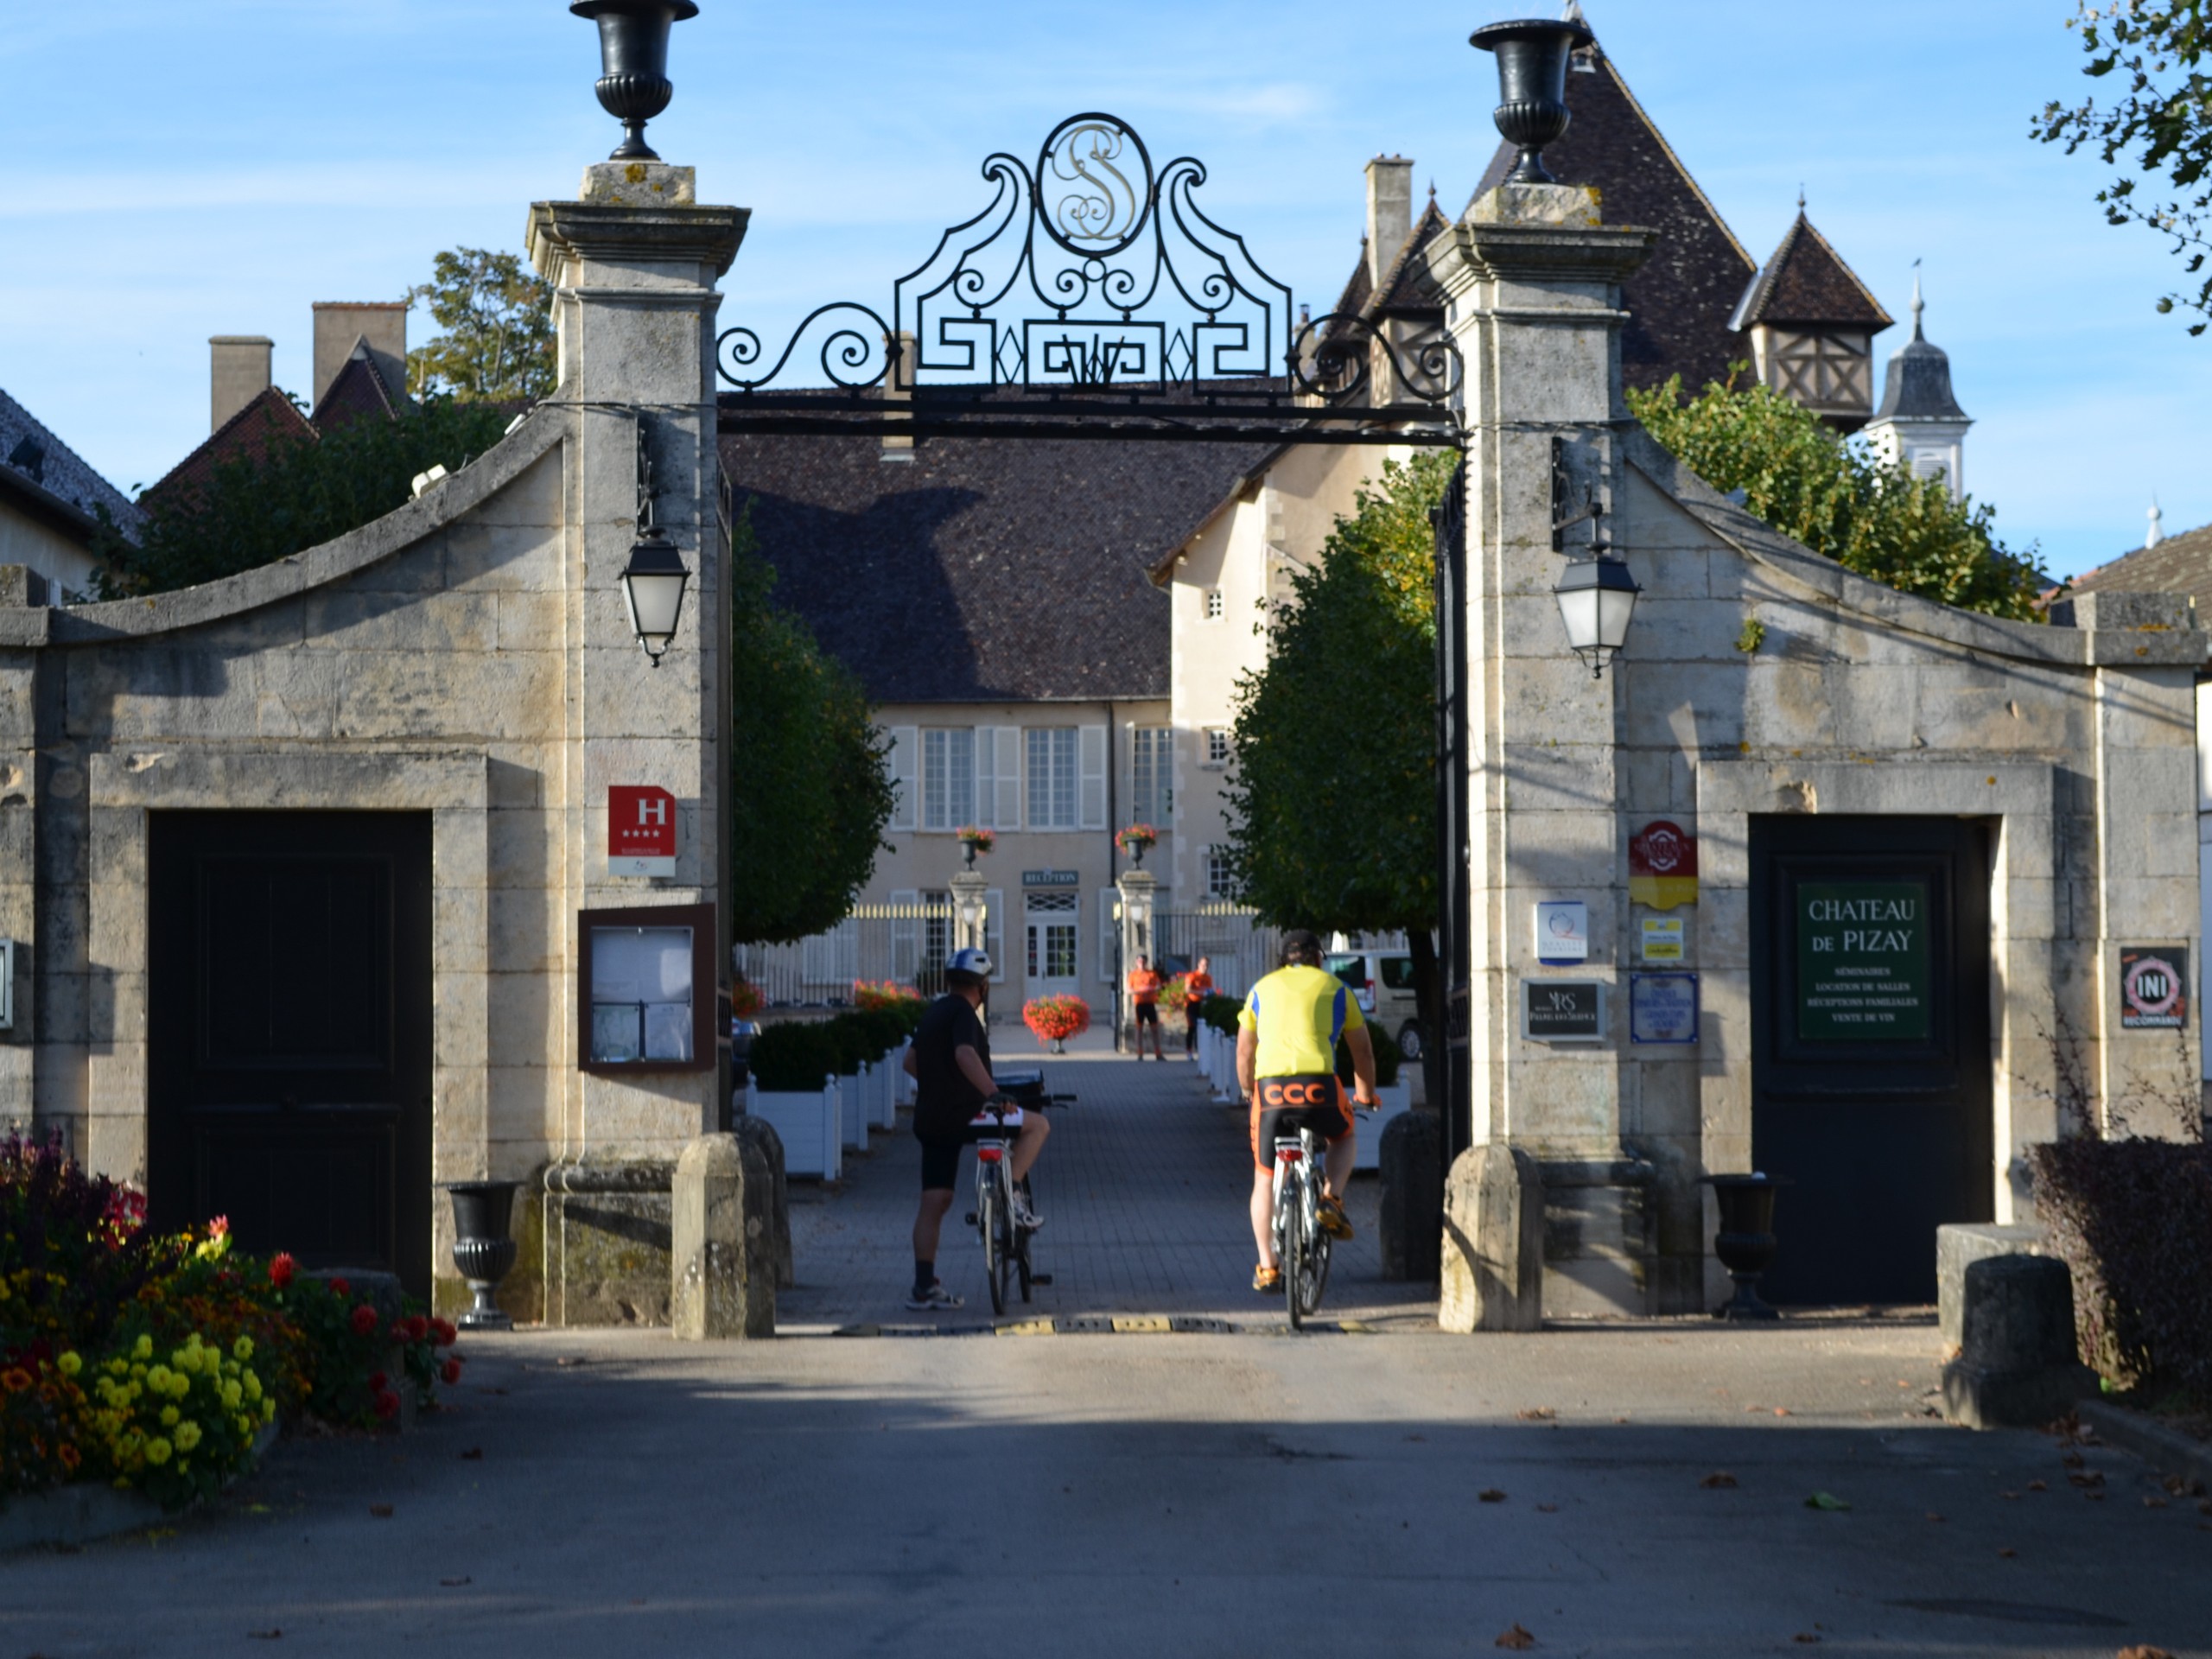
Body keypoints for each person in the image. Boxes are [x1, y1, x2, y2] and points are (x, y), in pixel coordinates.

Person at [901, 948, 1049, 1311]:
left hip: (932, 1120)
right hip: (970, 1116)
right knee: (1037, 1125)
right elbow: (965, 1054)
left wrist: (941, 1085)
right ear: (983, 986)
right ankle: (1012, 1197)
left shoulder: (934, 1011)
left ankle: (923, 1286)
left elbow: (910, 1062)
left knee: (934, 1201)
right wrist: (992, 1093)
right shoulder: (965, 1013)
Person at [1236, 929, 1376, 1294]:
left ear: (1284, 960)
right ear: (1318, 959)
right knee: (1343, 1136)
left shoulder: (1260, 989)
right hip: (1319, 1086)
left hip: (1270, 1092)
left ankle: (1268, 1266)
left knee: (1264, 1178)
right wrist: (1366, 1094)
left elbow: (1244, 1053)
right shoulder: (1336, 989)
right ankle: (1331, 1198)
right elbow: (1362, 1052)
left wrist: (1247, 1091)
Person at [1127, 954, 1166, 1059]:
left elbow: (1158, 986)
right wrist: (1139, 991)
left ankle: (1158, 1052)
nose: (1141, 963)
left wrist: (1151, 990)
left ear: (1146, 962)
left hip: (1150, 1003)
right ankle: (1140, 1052)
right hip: (1139, 1004)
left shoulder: (1152, 974)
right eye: (1139, 961)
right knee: (1139, 1029)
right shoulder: (1133, 975)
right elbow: (1128, 990)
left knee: (1154, 1029)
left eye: (1143, 961)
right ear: (1136, 963)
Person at [1182, 955, 1215, 1060]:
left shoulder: (1208, 978)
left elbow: (1209, 991)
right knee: (1192, 1027)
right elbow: (1187, 990)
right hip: (1192, 1004)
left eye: (1206, 965)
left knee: (1202, 1028)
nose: (1205, 967)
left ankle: (1201, 1051)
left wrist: (1210, 995)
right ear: (1198, 965)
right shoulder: (1192, 976)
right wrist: (1201, 992)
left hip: (1203, 1005)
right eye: (1203, 965)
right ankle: (1189, 1051)